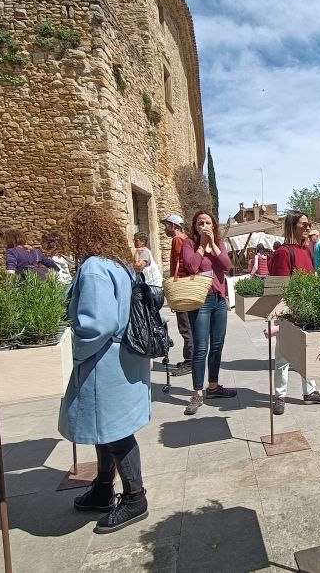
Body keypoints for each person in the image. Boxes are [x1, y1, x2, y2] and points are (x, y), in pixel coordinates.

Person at [59, 204, 151, 534]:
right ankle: (102, 488)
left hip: (104, 360)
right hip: (124, 355)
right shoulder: (120, 265)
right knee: (107, 428)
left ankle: (134, 496)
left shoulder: (95, 267)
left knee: (114, 430)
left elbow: (98, 324)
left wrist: (73, 353)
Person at [268, 212, 320, 415]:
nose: (308, 227)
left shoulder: (307, 250)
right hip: (290, 312)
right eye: (304, 224)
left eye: (308, 224)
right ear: (292, 226)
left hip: (308, 309)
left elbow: (312, 276)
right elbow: (278, 288)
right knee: (283, 356)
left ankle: (310, 392)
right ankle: (280, 396)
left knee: (308, 352)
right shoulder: (283, 252)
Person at [181, 210, 237, 415]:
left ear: (214, 226)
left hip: (219, 300)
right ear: (195, 226)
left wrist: (213, 245)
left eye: (208, 222)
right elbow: (192, 267)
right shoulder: (189, 244)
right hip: (200, 301)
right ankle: (197, 392)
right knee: (201, 348)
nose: (204, 226)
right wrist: (202, 247)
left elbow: (228, 266)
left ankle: (213, 388)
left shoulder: (219, 244)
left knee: (217, 346)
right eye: (200, 222)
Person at [162, 214, 192, 373]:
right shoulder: (184, 238)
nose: (165, 228)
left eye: (166, 225)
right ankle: (189, 359)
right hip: (185, 287)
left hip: (181, 287)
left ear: (173, 225)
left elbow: (181, 262)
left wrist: (175, 282)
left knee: (185, 326)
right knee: (187, 326)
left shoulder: (178, 239)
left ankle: (190, 362)